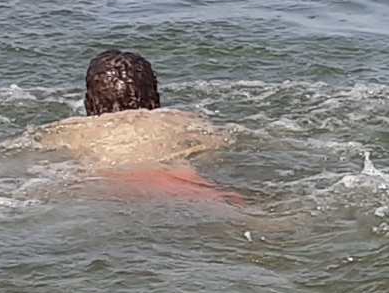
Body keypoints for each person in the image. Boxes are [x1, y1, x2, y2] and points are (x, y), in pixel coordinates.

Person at [32, 49, 240, 202]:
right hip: (179, 181)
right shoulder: (181, 120)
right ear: (156, 97)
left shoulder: (70, 130)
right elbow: (217, 146)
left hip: (105, 184)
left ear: (88, 102)